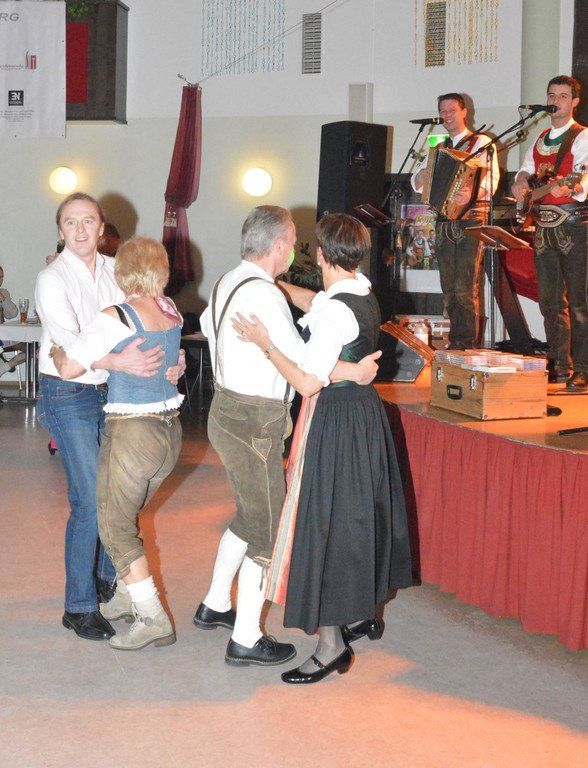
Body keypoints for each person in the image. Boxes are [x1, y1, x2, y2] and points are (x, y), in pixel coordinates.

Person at [194, 205, 380, 668]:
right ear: (278, 247)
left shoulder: (227, 282)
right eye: (293, 243)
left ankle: (215, 603)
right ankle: (246, 637)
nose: (299, 251)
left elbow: (206, 326)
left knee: (251, 513)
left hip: (225, 410)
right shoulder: (266, 297)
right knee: (271, 530)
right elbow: (306, 368)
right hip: (255, 420)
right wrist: (356, 371)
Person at [232, 213, 413, 684]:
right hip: (362, 416)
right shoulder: (360, 290)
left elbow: (308, 381)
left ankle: (331, 646)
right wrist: (277, 286)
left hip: (334, 421)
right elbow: (319, 301)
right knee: (354, 518)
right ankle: (359, 612)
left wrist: (266, 344)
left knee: (325, 524)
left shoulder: (334, 312)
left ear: (320, 253)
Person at [35, 193, 172, 642]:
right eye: (70, 222)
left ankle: (106, 582)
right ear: (60, 230)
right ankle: (78, 606)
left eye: (88, 221)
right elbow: (71, 349)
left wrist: (172, 360)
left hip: (112, 394)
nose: (80, 230)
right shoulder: (51, 278)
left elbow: (146, 317)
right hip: (67, 392)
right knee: (90, 499)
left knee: (115, 495)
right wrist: (117, 361)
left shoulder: (118, 271)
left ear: (101, 228)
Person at [512, 75, 588, 391]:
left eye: (563, 95)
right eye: (551, 95)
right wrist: (520, 181)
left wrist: (570, 186)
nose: (555, 100)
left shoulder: (582, 136)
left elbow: (582, 177)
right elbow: (526, 169)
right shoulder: (541, 137)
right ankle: (558, 364)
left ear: (575, 102)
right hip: (543, 227)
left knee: (580, 301)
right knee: (550, 302)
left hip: (574, 226)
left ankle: (583, 368)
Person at [411, 92, 500, 349]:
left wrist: (472, 193)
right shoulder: (439, 146)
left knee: (465, 285)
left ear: (464, 112)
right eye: (443, 111)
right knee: (448, 286)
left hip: (470, 219)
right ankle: (457, 340)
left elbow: (492, 180)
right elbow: (416, 181)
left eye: (452, 110)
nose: (447, 115)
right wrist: (421, 177)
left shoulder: (481, 142)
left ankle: (465, 342)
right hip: (443, 220)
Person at [0, 265, 26, 376]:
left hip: (3, 336)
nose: (0, 280)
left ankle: (6, 365)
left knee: (32, 347)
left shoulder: (4, 292)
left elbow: (12, 314)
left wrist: (3, 299)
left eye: (1, 277)